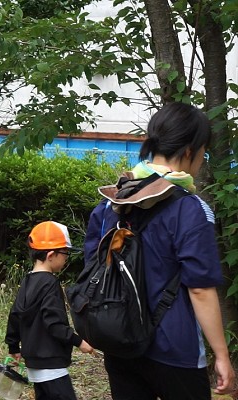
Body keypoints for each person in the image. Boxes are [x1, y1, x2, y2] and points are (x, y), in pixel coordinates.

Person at [84, 102, 235, 399]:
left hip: (119, 340)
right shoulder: (191, 209)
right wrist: (222, 355)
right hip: (175, 349)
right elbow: (200, 289)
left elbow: (93, 264)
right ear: (190, 151)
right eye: (203, 152)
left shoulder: (111, 202)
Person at [5, 221, 93, 400]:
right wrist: (79, 342)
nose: (66, 259)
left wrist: (13, 346)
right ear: (51, 255)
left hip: (34, 363)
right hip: (52, 363)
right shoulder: (51, 283)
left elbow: (15, 315)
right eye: (65, 253)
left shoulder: (27, 281)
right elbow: (54, 323)